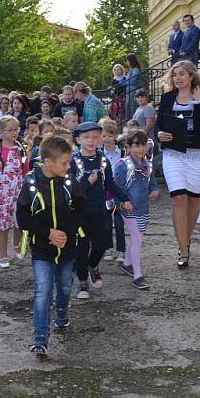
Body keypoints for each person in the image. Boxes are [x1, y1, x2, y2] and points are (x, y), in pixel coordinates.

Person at [17, 136, 86, 356]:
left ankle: (62, 314)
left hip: (67, 247)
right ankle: (40, 337)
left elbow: (80, 209)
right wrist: (47, 233)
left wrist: (68, 232)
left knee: (65, 286)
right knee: (43, 290)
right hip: (42, 249)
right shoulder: (30, 184)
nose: (69, 166)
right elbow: (22, 217)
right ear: (48, 162)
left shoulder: (70, 182)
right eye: (64, 162)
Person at [156, 61, 200, 268]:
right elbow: (159, 125)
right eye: (175, 75)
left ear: (191, 76)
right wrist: (159, 134)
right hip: (173, 154)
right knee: (178, 198)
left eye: (182, 74)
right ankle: (183, 250)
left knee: (193, 202)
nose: (178, 78)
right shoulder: (166, 98)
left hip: (198, 155)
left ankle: (186, 239)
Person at [71, 122, 132, 299]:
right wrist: (87, 184)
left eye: (96, 137)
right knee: (81, 248)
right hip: (80, 213)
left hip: (99, 211)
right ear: (78, 139)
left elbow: (110, 183)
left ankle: (93, 266)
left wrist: (125, 198)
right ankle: (82, 282)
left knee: (99, 246)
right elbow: (70, 189)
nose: (92, 140)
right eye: (87, 137)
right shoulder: (74, 161)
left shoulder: (103, 160)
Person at [114, 130, 159, 289]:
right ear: (128, 146)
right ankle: (138, 276)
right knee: (137, 239)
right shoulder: (123, 165)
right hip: (129, 209)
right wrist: (122, 202)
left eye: (143, 145)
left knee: (137, 237)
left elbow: (152, 183)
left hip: (143, 208)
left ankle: (127, 263)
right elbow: (116, 187)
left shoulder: (148, 164)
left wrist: (154, 191)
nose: (141, 149)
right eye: (136, 145)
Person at [0, 116, 30, 268]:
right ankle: (3, 254)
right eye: (10, 130)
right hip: (0, 191)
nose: (14, 132)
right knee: (2, 224)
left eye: (16, 129)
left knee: (20, 220)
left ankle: (17, 244)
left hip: (18, 189)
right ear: (1, 132)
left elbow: (26, 169)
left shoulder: (21, 148)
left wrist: (28, 187)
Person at [98, 119, 126, 263]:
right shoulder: (98, 153)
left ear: (116, 136)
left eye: (110, 135)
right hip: (103, 191)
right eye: (104, 135)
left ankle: (121, 250)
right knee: (106, 222)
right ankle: (107, 247)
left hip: (118, 191)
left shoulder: (122, 153)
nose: (107, 138)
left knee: (119, 223)